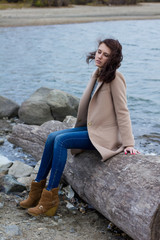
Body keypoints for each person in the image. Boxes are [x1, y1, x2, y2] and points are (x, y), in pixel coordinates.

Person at [20, 38, 139, 217]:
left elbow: (123, 111)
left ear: (112, 59)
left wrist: (129, 143)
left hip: (105, 136)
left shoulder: (115, 78)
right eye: (99, 51)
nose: (100, 56)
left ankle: (50, 199)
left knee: (60, 141)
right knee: (53, 136)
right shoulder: (97, 74)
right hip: (92, 129)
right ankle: (36, 191)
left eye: (105, 55)